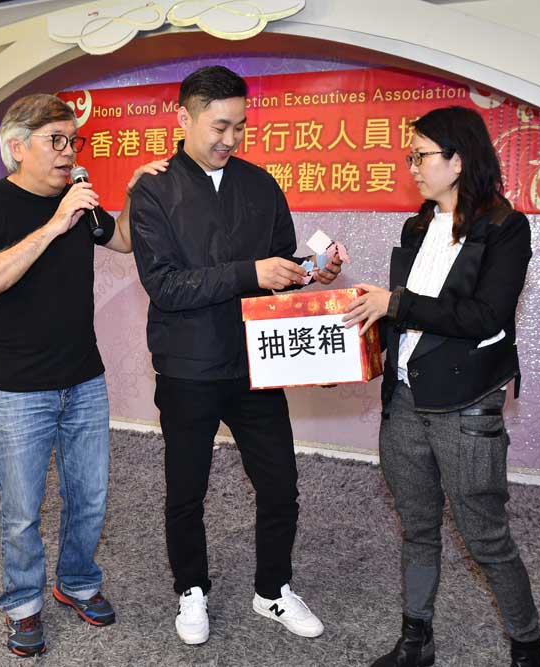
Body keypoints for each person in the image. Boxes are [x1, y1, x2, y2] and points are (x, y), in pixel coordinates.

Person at [130, 65, 344, 646]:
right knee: (186, 490)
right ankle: (190, 589)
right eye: (219, 126)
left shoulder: (260, 185)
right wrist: (250, 272)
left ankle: (273, 590)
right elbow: (166, 286)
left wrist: (311, 271)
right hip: (188, 366)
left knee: (280, 485)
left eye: (241, 127)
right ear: (184, 117)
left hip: (257, 361)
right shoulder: (153, 190)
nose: (231, 138)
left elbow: (279, 268)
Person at [0, 92, 167, 657]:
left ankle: (75, 583)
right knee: (21, 511)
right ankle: (23, 604)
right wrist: (55, 224)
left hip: (83, 379)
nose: (69, 152)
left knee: (90, 497)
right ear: (16, 147)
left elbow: (123, 240)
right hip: (16, 389)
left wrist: (131, 194)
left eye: (73, 141)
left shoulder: (80, 202)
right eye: (56, 141)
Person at [342, 105, 540, 667]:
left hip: (464, 404)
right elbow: (407, 316)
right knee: (417, 527)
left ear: (458, 161)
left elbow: (484, 316)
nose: (412, 167)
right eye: (409, 156)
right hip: (404, 398)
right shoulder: (417, 225)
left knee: (485, 537)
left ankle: (527, 645)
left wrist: (395, 303)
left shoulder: (505, 228)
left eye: (421, 156)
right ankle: (416, 641)